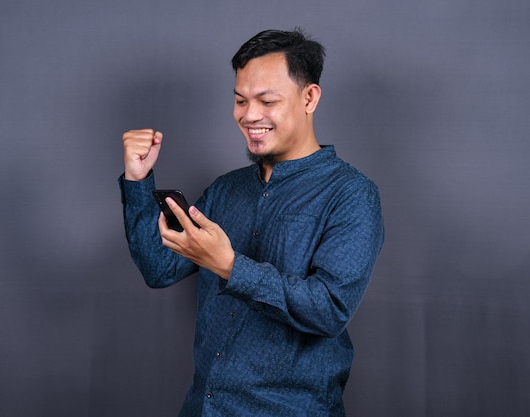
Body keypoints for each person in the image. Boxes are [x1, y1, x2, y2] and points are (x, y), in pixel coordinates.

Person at [119, 28, 384, 417]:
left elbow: (328, 309)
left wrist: (229, 266)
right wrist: (138, 181)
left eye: (267, 100)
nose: (249, 115)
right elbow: (159, 268)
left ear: (309, 97)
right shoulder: (226, 190)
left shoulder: (352, 195)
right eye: (241, 100)